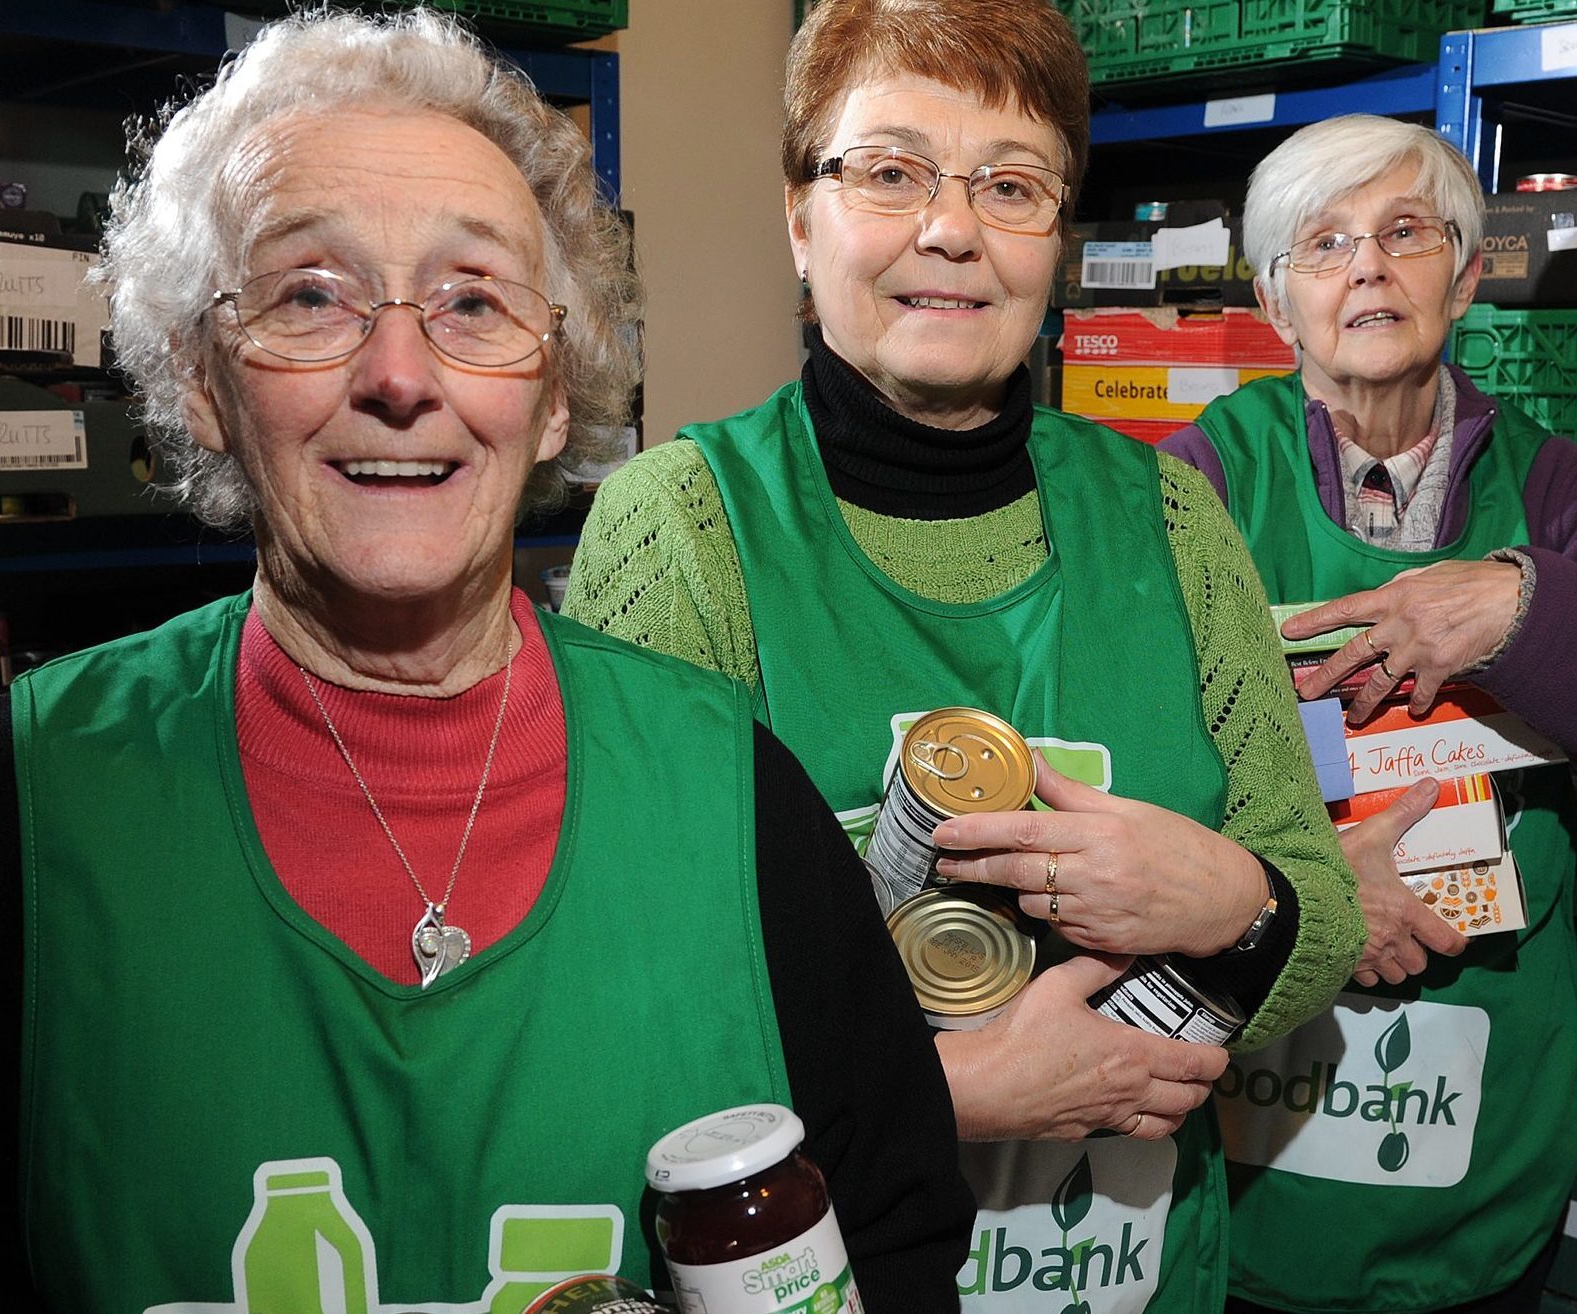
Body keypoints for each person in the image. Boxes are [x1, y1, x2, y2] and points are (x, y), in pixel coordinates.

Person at [0, 10, 974, 1311]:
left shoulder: (734, 795)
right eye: (308, 296)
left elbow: (898, 1245)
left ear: (557, 388)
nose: (399, 373)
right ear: (198, 377)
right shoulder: (9, 811)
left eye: (472, 300)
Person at [564, 3, 1373, 1310]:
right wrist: (951, 1093)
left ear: (1056, 236)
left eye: (1009, 184)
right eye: (888, 172)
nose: (949, 228)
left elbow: (1319, 916)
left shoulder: (1170, 516)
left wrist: (1229, 899)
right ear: (796, 213)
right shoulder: (680, 524)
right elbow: (628, 1005)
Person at [1158, 113, 1577, 1314]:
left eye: (1404, 232)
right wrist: (1310, 893)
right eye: (1322, 244)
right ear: (1277, 308)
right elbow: (1134, 776)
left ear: (1470, 270)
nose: (1369, 266)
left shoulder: (1558, 491)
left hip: (1490, 1147)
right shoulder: (1197, 484)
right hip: (1252, 1113)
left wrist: (1522, 614)